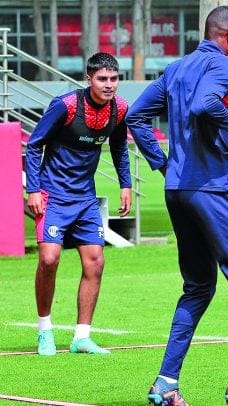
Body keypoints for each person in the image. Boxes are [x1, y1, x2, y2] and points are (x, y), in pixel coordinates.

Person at [125, 6, 228, 406]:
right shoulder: (224, 65)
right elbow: (204, 104)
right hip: (212, 187)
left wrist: (163, 164)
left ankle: (165, 384)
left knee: (198, 287)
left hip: (178, 189)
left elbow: (136, 116)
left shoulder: (175, 69)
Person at [25, 52, 131, 356]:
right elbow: (34, 144)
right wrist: (33, 189)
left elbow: (120, 147)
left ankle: (81, 337)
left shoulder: (120, 109)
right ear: (89, 79)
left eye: (114, 79)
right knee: (49, 260)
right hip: (52, 195)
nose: (109, 84)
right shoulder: (67, 105)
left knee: (96, 261)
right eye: (102, 79)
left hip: (85, 198)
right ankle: (44, 330)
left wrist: (125, 184)